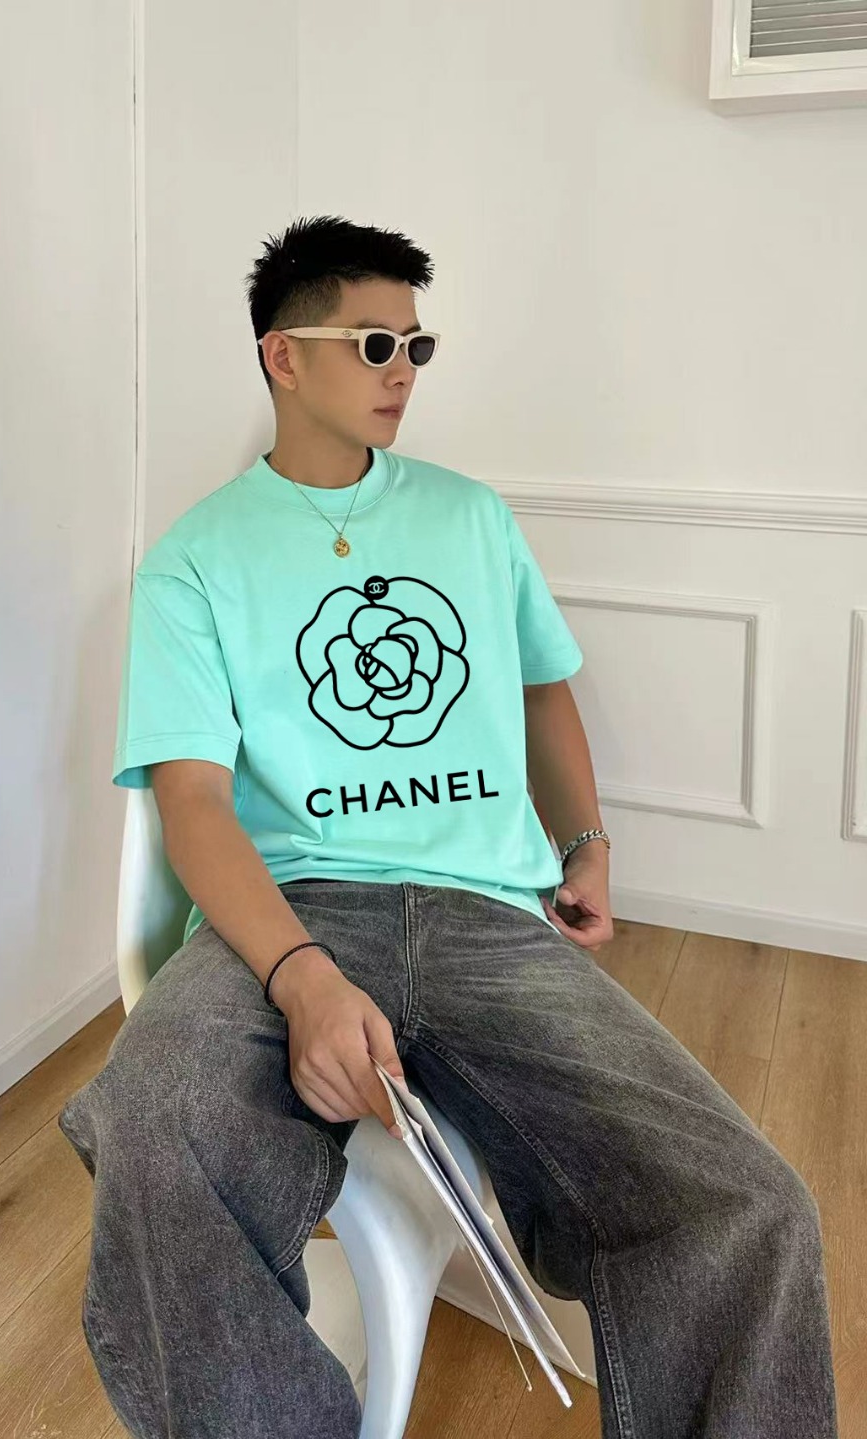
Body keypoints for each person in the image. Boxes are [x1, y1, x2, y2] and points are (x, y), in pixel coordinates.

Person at [57, 215, 838, 1438]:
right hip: (292, 912)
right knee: (153, 1124)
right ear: (283, 357)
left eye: (417, 344)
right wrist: (303, 976)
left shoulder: (472, 518)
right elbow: (192, 802)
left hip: (487, 914)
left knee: (746, 1202)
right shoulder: (194, 562)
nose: (404, 370)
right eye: (374, 343)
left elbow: (540, 687)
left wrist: (585, 843)